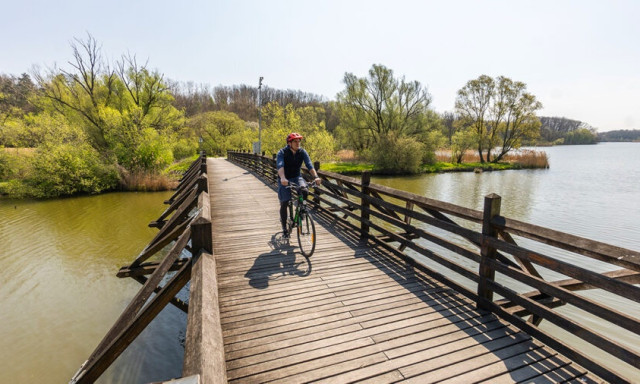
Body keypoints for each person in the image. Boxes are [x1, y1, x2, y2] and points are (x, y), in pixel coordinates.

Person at [276, 132, 322, 238]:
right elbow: (280, 165)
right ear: (289, 143)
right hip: (284, 178)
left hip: (297, 177)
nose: (298, 143)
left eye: (299, 141)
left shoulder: (302, 152)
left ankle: (301, 211)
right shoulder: (282, 152)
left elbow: (309, 164)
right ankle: (284, 229)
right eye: (295, 142)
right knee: (285, 202)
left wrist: (316, 177)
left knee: (305, 190)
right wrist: (282, 177)